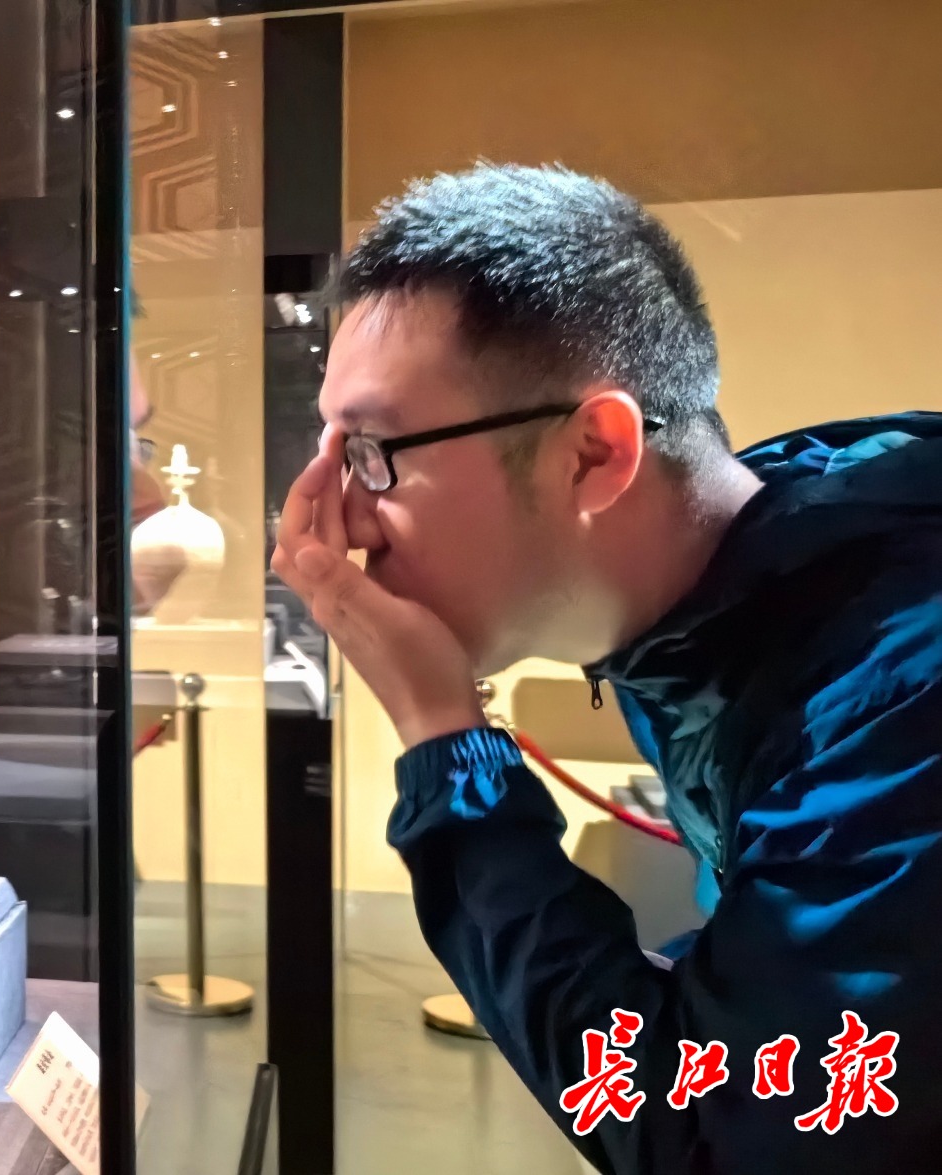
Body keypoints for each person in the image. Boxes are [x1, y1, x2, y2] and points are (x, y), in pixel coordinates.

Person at [271, 163, 941, 1171]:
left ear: (592, 452)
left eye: (370, 451)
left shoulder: (895, 691)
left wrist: (443, 738)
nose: (334, 518)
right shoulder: (709, 614)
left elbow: (715, 1140)